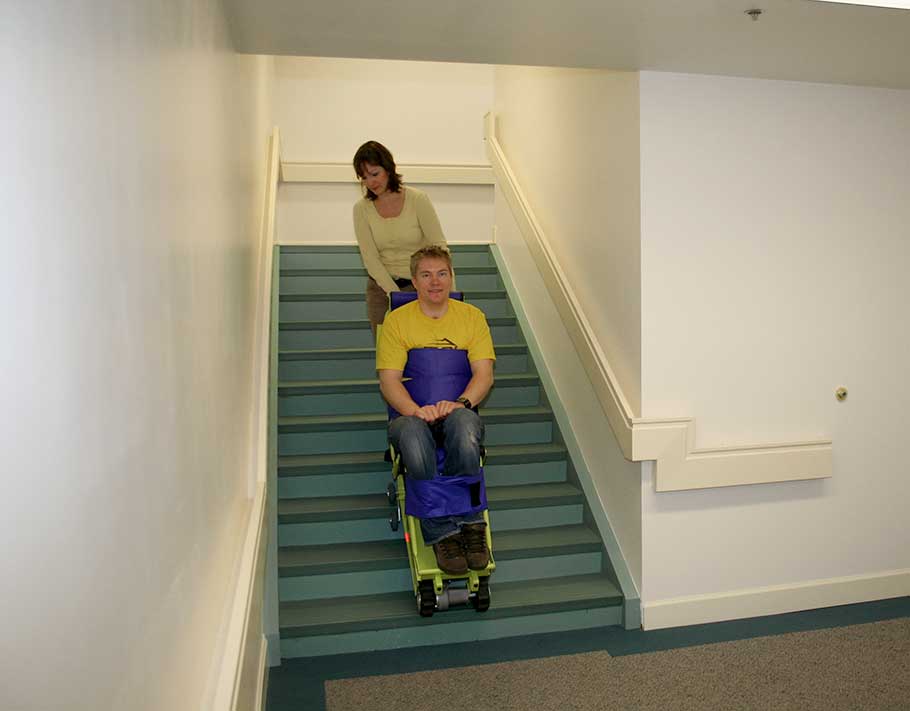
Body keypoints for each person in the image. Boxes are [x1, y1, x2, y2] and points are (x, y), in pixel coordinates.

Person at [376, 246, 495, 574]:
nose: (435, 282)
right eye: (426, 275)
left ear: (451, 277)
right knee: (413, 437)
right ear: (414, 281)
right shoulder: (397, 322)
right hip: (410, 415)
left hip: (458, 409)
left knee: (466, 429)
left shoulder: (472, 317)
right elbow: (389, 381)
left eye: (441, 273)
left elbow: (484, 374)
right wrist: (415, 411)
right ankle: (440, 528)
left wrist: (461, 404)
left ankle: (470, 523)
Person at [352, 140, 450, 334]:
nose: (371, 182)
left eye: (375, 173)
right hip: (381, 291)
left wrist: (448, 291)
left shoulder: (418, 199)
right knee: (387, 355)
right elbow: (370, 259)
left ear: (388, 169)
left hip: (422, 287)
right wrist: (395, 295)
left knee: (425, 353)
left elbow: (439, 247)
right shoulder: (361, 209)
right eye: (364, 177)